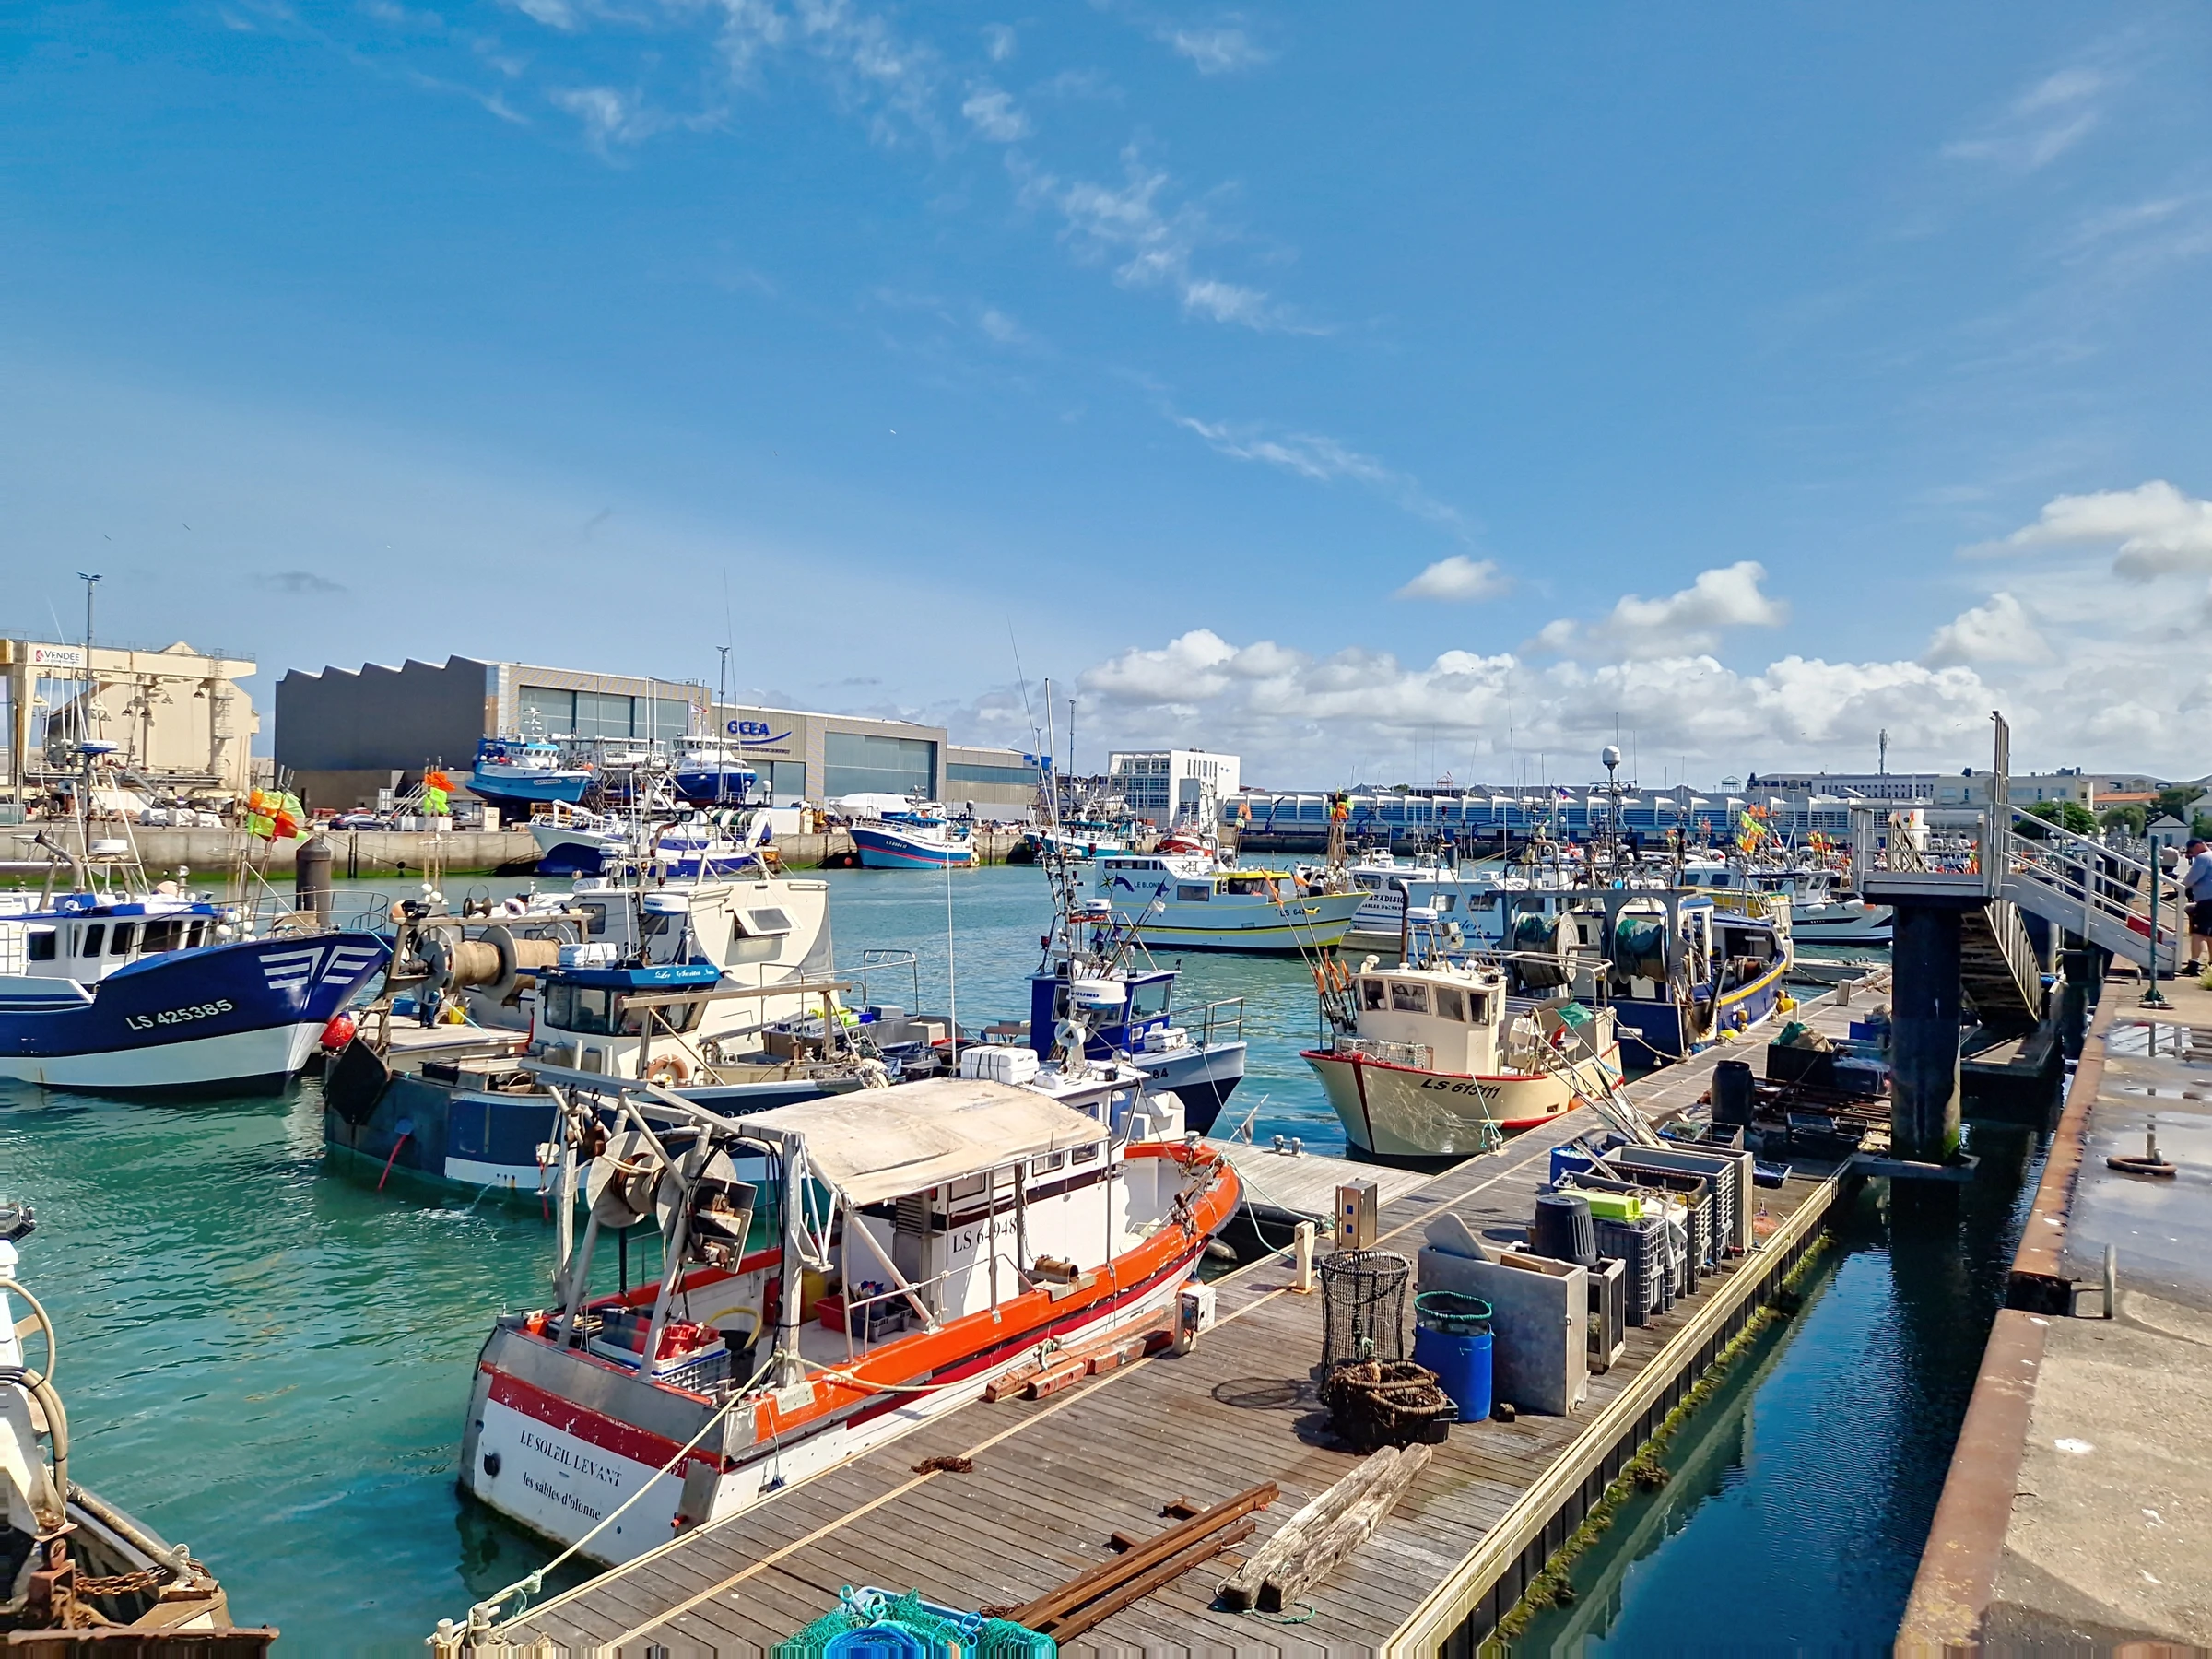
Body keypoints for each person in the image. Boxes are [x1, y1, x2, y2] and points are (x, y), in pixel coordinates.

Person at [2183, 837, 2212, 975]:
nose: (2192, 854)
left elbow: (2192, 877)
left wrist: (2180, 888)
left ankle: (2194, 963)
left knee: (2197, 932)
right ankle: (2211, 963)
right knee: (2210, 932)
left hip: (2206, 900)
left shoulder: (2203, 858)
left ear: (2198, 846)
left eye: (2191, 850)